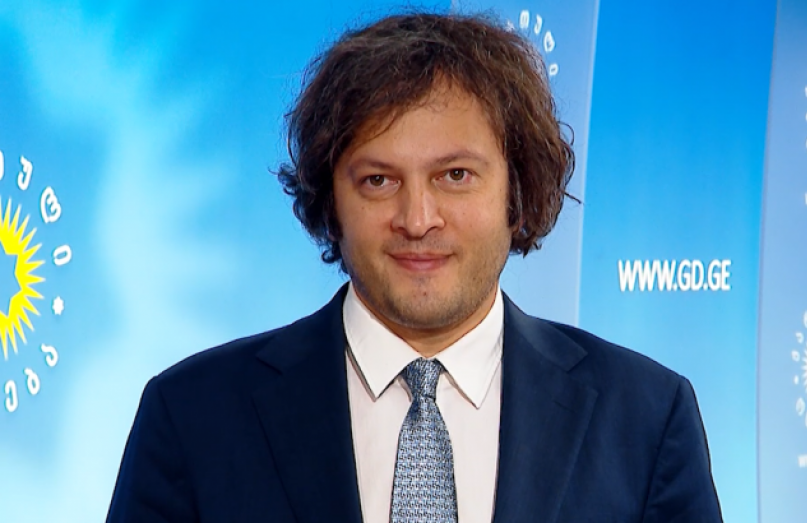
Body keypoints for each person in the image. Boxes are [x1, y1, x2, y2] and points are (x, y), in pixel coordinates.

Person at [106, 12, 723, 523]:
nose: (418, 218)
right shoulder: (192, 415)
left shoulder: (645, 416)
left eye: (455, 175)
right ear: (331, 202)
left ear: (516, 193)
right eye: (378, 180)